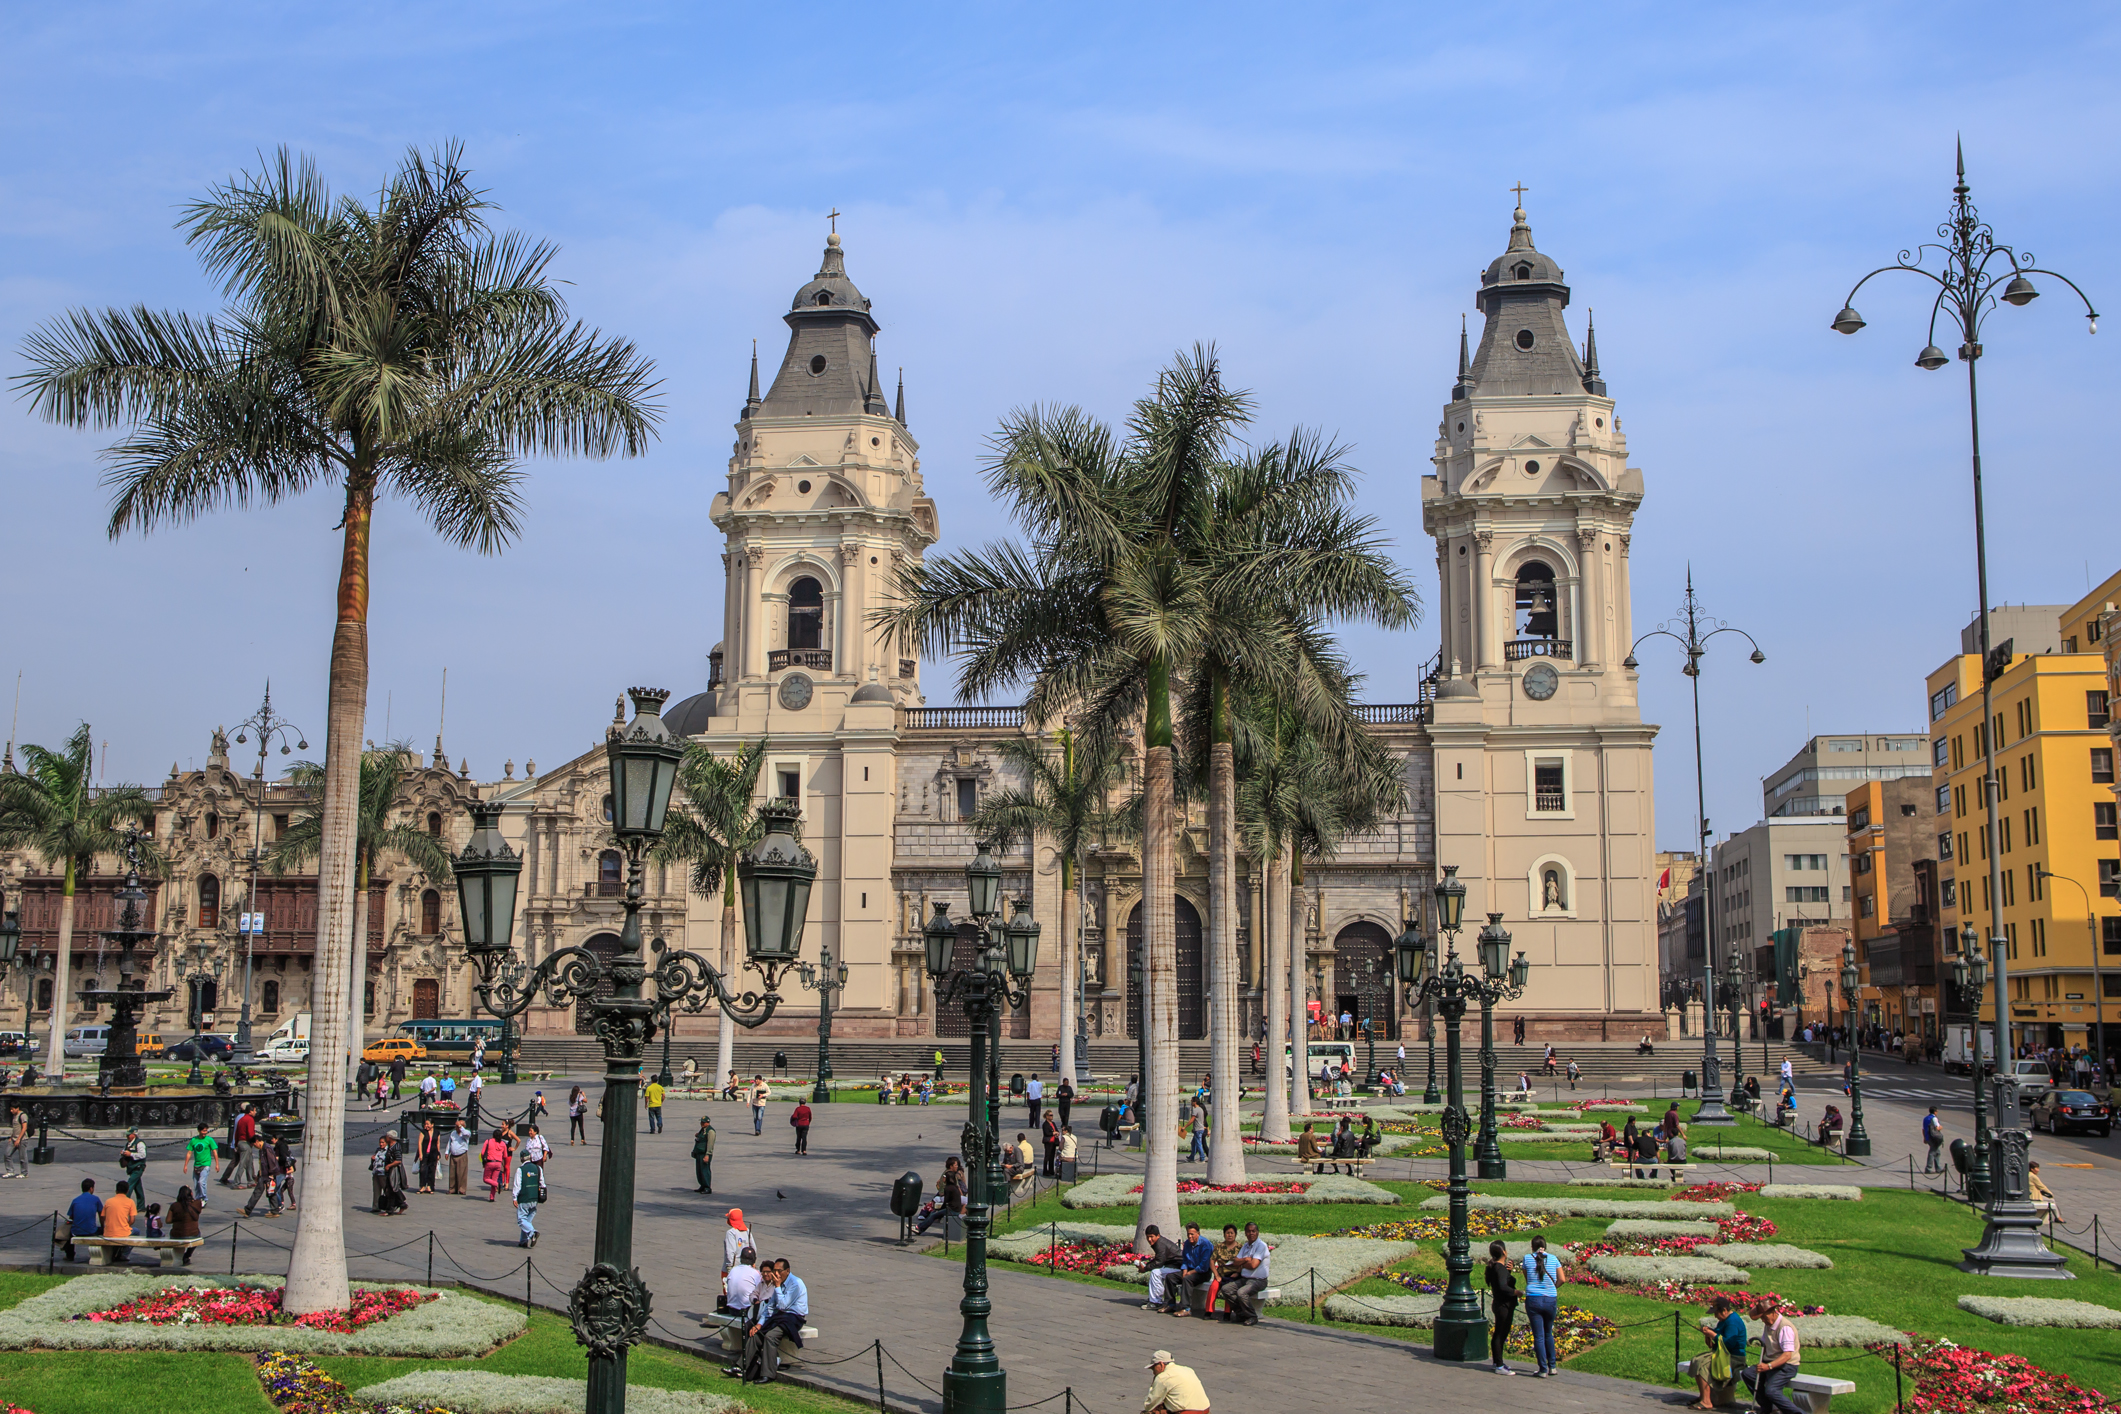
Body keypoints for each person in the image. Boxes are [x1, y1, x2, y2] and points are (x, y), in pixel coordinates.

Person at [740, 1257, 808, 1384]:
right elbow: (770, 1307)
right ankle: (741, 1366)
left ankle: (768, 1374)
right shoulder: (778, 1283)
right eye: (774, 1271)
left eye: (779, 1271)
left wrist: (777, 1287)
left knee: (770, 1336)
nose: (776, 1274)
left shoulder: (796, 1284)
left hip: (793, 1317)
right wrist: (759, 1324)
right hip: (780, 1316)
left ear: (787, 1271)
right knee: (757, 1334)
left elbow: (783, 1306)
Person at [1687, 1295, 1753, 1410]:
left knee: (1703, 1364)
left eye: (1716, 1313)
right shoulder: (1724, 1320)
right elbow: (1718, 1336)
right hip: (1722, 1354)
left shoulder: (1732, 1322)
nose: (1715, 1316)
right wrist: (1709, 1333)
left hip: (1734, 1358)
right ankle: (1703, 1396)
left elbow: (1729, 1343)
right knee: (1697, 1360)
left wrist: (1713, 1335)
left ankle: (1706, 1401)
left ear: (1724, 1310)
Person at [1520, 1235, 1562, 1376]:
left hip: (1533, 1299)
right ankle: (1553, 1366)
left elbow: (1528, 1278)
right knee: (1548, 1332)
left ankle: (1542, 1369)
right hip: (1550, 1298)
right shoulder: (1554, 1259)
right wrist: (1552, 1287)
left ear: (1532, 1246)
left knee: (1538, 1336)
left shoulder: (1527, 1259)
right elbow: (1562, 1279)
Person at [1756, 1305, 1804, 1414]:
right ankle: (1768, 1408)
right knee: (1748, 1374)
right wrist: (1763, 1363)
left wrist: (1768, 1366)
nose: (1763, 1320)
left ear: (1773, 1313)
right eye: (1761, 1318)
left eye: (1764, 1317)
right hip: (1771, 1363)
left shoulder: (1785, 1327)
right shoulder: (1768, 1325)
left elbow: (1787, 1355)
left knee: (1772, 1391)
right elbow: (1765, 1345)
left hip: (1787, 1366)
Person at [1224, 1222, 1269, 1326]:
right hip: (1244, 1279)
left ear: (1257, 1232)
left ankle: (1252, 1316)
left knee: (1241, 1293)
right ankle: (1241, 1314)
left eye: (1253, 1231)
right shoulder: (1245, 1246)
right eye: (1249, 1231)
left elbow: (1253, 1265)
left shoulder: (1261, 1246)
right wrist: (1245, 1260)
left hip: (1258, 1280)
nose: (1251, 1233)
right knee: (1226, 1289)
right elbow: (1235, 1262)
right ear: (1245, 1233)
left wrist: (1242, 1263)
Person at [1485, 1239, 1519, 1374]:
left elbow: (1502, 1282)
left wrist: (1508, 1272)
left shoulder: (1497, 1268)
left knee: (1500, 1333)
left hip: (1500, 1304)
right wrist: (1516, 1292)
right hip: (1503, 1305)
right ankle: (1499, 1365)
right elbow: (1503, 1287)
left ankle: (1497, 1362)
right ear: (1504, 1252)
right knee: (1500, 1334)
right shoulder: (1499, 1268)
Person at [1141, 1350, 1211, 1413]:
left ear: (1161, 1364)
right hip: (1206, 1411)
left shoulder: (1163, 1377)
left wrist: (1153, 1386)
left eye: (1153, 1368)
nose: (1153, 1372)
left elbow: (1149, 1405)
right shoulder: (1188, 1369)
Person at [1140, 1225, 1186, 1314]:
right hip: (1174, 1266)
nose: (1149, 1239)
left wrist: (1145, 1268)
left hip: (1179, 1268)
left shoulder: (1160, 1244)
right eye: (1148, 1237)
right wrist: (1146, 1266)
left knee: (1156, 1273)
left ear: (1158, 1236)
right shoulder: (1159, 1242)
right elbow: (1159, 1259)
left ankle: (1156, 1302)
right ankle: (1154, 1299)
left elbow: (1159, 1262)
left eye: (1151, 1237)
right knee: (1156, 1272)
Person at [243, 1135, 283, 1217]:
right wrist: (259, 1175)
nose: (255, 1147)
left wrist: (271, 1175)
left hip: (269, 1175)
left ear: (257, 1141)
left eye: (254, 1145)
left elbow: (272, 1162)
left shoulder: (267, 1148)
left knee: (269, 1192)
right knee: (265, 1192)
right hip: (264, 1175)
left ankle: (274, 1211)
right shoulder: (262, 1150)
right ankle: (274, 1211)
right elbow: (262, 1164)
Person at [63, 1178, 101, 1265]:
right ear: (91, 1188)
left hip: (76, 1231)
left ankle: (70, 1255)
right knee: (102, 1230)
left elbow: (71, 1216)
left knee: (69, 1232)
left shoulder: (75, 1200)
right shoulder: (96, 1199)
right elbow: (102, 1215)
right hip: (91, 1231)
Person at [100, 1179, 137, 1266]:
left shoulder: (108, 1201)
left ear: (116, 1191)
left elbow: (102, 1217)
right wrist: (126, 1225)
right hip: (123, 1232)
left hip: (109, 1232)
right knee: (136, 1231)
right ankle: (124, 1254)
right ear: (127, 1191)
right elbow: (132, 1220)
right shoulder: (130, 1202)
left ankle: (116, 1252)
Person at [514, 1146, 545, 1247]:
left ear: (521, 1159)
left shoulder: (520, 1169)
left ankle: (532, 1233)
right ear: (530, 1157)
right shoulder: (538, 1168)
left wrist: (514, 1197)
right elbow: (542, 1184)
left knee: (521, 1220)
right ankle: (523, 1241)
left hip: (524, 1198)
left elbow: (517, 1185)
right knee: (527, 1220)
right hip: (534, 1198)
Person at [222, 1104, 258, 1186]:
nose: (255, 1112)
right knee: (243, 1164)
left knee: (249, 1162)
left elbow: (237, 1133)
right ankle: (236, 1182)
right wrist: (254, 1142)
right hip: (246, 1143)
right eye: (254, 1110)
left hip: (240, 1142)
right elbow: (250, 1133)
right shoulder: (250, 1119)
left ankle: (251, 1181)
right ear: (250, 1111)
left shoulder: (241, 1119)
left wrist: (236, 1144)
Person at [720, 1245, 762, 1313]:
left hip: (732, 1309)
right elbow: (761, 1289)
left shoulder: (733, 1270)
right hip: (747, 1310)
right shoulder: (755, 1273)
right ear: (754, 1260)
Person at [186, 1123, 219, 1205]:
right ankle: (198, 1198)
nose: (205, 1132)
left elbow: (214, 1152)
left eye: (206, 1131)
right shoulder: (194, 1140)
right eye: (203, 1131)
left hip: (205, 1164)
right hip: (197, 1164)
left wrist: (217, 1164)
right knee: (196, 1184)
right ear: (199, 1130)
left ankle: (204, 1198)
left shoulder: (209, 1140)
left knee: (201, 1182)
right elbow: (189, 1153)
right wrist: (185, 1165)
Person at [169, 1183, 201, 1265]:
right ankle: (187, 1256)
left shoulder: (174, 1206)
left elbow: (168, 1220)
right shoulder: (197, 1203)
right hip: (192, 1234)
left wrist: (177, 1219)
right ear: (191, 1194)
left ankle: (178, 1255)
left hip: (176, 1234)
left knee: (173, 1232)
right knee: (198, 1235)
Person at [721, 1209, 753, 1290]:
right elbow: (753, 1248)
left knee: (730, 1293)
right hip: (746, 1268)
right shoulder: (747, 1231)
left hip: (733, 1268)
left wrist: (729, 1268)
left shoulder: (731, 1233)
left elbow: (730, 1252)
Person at [378, 1133, 409, 1215]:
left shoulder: (396, 1147)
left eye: (387, 1137)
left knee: (393, 1188)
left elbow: (398, 1160)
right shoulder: (390, 1146)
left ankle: (396, 1206)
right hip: (390, 1170)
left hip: (394, 1170)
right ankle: (399, 1205)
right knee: (390, 1189)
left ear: (390, 1138)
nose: (386, 1138)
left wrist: (389, 1165)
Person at [479, 1128, 510, 1202]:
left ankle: (497, 1184)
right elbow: (505, 1156)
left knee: (486, 1179)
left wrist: (483, 1160)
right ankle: (492, 1197)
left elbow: (482, 1153)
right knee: (494, 1179)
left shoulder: (488, 1141)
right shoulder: (503, 1144)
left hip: (490, 1162)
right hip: (498, 1163)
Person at [119, 1127, 148, 1205]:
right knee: (138, 1187)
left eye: (129, 1135)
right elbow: (125, 1151)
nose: (127, 1137)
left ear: (134, 1134)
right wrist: (123, 1153)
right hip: (131, 1168)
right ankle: (141, 1205)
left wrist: (131, 1154)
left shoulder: (139, 1143)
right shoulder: (128, 1144)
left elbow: (143, 1155)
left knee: (130, 1184)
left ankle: (124, 1202)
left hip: (138, 1168)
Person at [444, 1117, 472, 1195]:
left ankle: (462, 1189)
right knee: (452, 1173)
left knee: (461, 1173)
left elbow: (467, 1134)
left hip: (462, 1155)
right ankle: (452, 1189)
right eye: (456, 1126)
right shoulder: (453, 1133)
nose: (457, 1128)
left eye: (458, 1126)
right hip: (453, 1155)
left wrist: (460, 1127)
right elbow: (449, 1142)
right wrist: (447, 1152)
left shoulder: (466, 1133)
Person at [692, 1115, 716, 1193]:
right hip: (699, 1153)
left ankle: (707, 1187)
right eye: (701, 1122)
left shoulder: (710, 1131)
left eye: (703, 1122)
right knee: (699, 1171)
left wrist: (707, 1154)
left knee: (705, 1170)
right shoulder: (703, 1130)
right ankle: (702, 1185)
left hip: (704, 1154)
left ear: (708, 1123)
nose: (702, 1124)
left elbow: (710, 1144)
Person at [415, 1118, 440, 1194]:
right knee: (423, 1170)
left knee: (432, 1170)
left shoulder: (437, 1132)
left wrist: (438, 1153)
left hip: (433, 1153)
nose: (426, 1126)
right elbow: (420, 1143)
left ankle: (429, 1186)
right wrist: (420, 1154)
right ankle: (422, 1186)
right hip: (424, 1153)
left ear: (432, 1125)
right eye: (425, 1124)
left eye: (428, 1124)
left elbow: (438, 1143)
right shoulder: (423, 1132)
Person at [3, 1106, 27, 1178]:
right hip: (14, 1139)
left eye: (12, 1109)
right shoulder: (14, 1116)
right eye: (10, 1109)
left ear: (17, 1108)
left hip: (22, 1139)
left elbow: (24, 1128)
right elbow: (15, 1128)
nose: (11, 1111)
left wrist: (18, 1139)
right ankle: (10, 1171)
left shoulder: (23, 1116)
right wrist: (11, 1137)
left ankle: (24, 1173)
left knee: (22, 1157)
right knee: (7, 1154)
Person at [1923, 1106, 1945, 1175]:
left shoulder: (1925, 1118)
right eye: (1937, 1111)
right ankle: (1928, 1168)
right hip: (1934, 1137)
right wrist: (1941, 1127)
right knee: (1932, 1152)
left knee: (1937, 1152)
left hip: (1928, 1137)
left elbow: (1923, 1129)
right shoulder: (1934, 1118)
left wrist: (1924, 1138)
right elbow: (1937, 1128)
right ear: (1935, 1112)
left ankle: (1938, 1168)